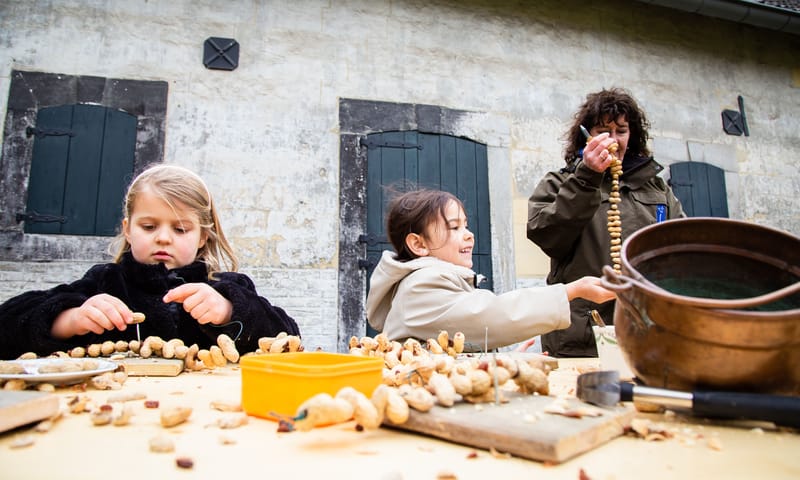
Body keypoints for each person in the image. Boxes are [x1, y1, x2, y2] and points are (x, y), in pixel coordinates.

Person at [0, 164, 299, 359]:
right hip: (113, 416)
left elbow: (290, 338)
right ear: (128, 229)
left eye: (180, 229)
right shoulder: (105, 282)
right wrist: (69, 320)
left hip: (206, 418)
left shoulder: (227, 287)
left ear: (202, 237)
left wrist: (230, 310)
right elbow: (7, 325)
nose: (164, 238)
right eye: (149, 227)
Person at [526, 87, 685, 357]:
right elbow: (544, 234)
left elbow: (680, 247)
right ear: (586, 135)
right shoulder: (560, 181)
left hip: (646, 331)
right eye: (603, 131)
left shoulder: (657, 188)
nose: (613, 140)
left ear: (631, 136)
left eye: (621, 131)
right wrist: (587, 177)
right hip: (581, 335)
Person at [366, 189, 615, 352]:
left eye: (466, 225)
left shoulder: (431, 280)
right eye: (454, 227)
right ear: (419, 244)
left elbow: (459, 341)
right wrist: (571, 291)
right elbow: (489, 316)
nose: (469, 235)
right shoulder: (421, 286)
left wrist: (499, 360)